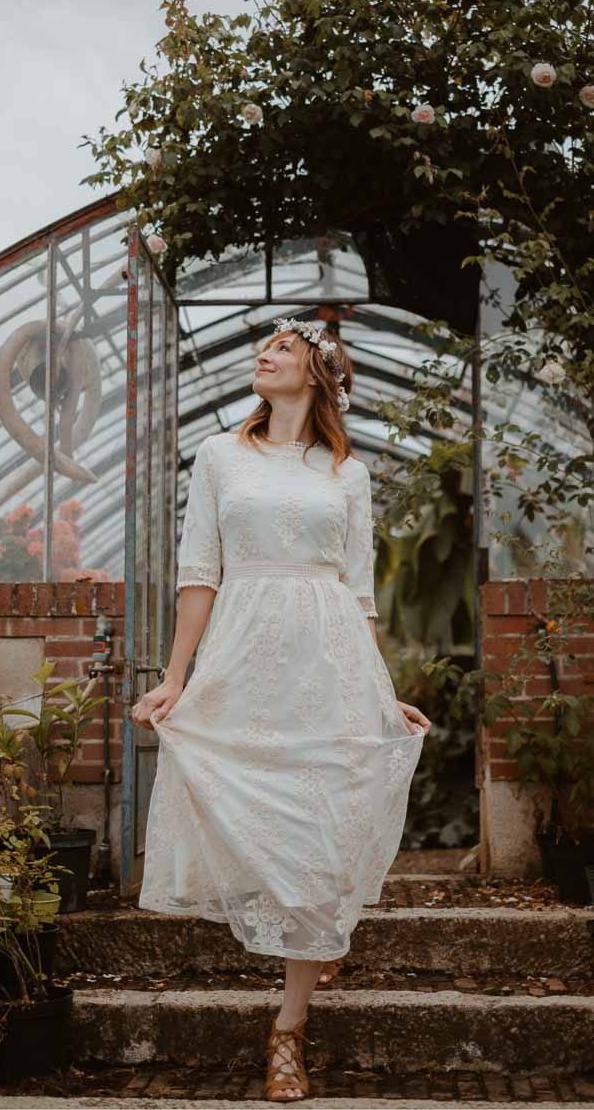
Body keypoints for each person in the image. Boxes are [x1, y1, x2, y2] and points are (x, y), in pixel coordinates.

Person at [129, 316, 432, 1102]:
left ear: (317, 373)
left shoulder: (348, 473)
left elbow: (358, 591)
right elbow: (200, 570)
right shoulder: (221, 455)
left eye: (281, 349)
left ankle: (289, 1031)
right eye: (261, 349)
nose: (263, 356)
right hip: (246, 657)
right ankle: (302, 969)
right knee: (262, 816)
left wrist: (380, 688)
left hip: (330, 663)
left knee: (320, 837)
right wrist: (175, 677)